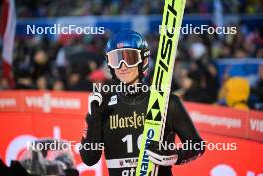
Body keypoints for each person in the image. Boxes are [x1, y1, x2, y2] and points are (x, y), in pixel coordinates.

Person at [79, 30, 205, 176]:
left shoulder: (167, 101)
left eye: (130, 58)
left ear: (144, 60)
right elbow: (89, 159)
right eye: (116, 59)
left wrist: (176, 156)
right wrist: (93, 119)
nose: (123, 65)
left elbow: (197, 145)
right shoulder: (103, 105)